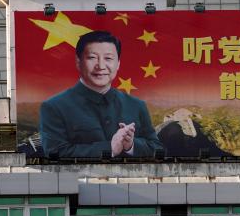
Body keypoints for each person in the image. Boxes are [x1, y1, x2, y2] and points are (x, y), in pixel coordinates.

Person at [39, 30, 162, 158]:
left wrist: (130, 145)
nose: (101, 66)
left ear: (118, 64)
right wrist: (110, 149)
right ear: (78, 61)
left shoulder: (136, 105)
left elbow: (157, 149)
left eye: (108, 58)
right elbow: (55, 153)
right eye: (92, 57)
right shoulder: (54, 107)